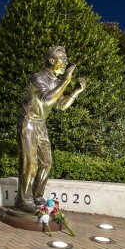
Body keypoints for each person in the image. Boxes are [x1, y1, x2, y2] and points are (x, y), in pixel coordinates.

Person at [15, 46, 86, 213]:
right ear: (52, 61)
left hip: (41, 124)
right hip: (28, 123)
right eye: (63, 58)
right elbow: (47, 99)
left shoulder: (55, 81)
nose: (66, 62)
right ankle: (23, 201)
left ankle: (37, 197)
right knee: (30, 164)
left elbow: (61, 104)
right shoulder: (37, 78)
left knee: (46, 163)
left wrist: (75, 92)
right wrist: (66, 81)